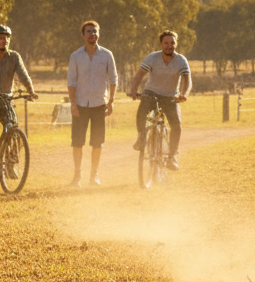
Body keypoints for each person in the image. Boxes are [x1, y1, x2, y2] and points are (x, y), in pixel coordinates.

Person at [66, 20, 117, 188]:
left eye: (95, 31)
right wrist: (73, 103)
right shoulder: (75, 56)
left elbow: (113, 79)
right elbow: (71, 81)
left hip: (99, 104)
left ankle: (94, 176)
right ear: (83, 34)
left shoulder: (107, 55)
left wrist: (111, 101)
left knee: (97, 142)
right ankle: (77, 175)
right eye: (88, 32)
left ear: (99, 34)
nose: (92, 34)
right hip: (80, 104)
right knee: (77, 142)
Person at [129, 30, 191, 170]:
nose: (169, 46)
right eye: (166, 43)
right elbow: (139, 75)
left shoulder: (181, 60)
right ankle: (141, 137)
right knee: (142, 111)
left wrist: (183, 94)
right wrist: (134, 89)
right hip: (151, 93)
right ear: (161, 44)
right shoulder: (152, 58)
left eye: (172, 43)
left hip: (170, 96)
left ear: (176, 44)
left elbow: (187, 80)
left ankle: (172, 157)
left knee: (176, 125)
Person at [0, 24, 38, 156]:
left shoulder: (14, 57)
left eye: (6, 38)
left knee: (13, 124)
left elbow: (24, 76)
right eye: (1, 38)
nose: (5, 41)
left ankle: (11, 160)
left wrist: (31, 91)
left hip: (5, 99)